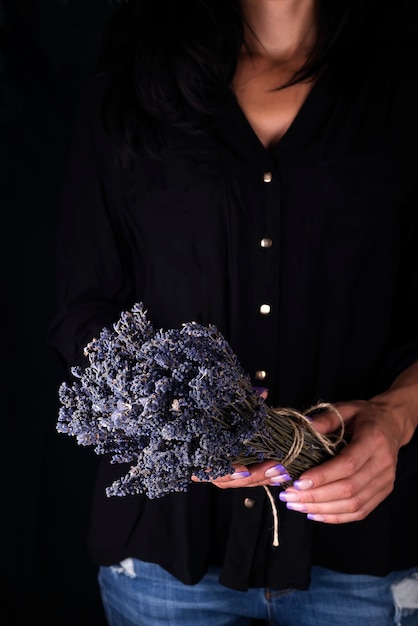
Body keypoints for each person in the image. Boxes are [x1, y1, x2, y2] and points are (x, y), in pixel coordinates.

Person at [48, 0, 418, 624]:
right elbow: (82, 308)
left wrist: (396, 418)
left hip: (364, 552)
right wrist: (176, 417)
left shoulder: (407, 86)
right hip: (169, 559)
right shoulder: (130, 86)